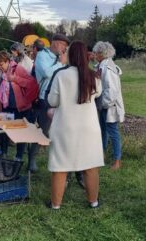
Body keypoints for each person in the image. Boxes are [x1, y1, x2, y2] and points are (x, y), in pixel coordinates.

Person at [47, 41, 104, 209]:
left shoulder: (61, 76)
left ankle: (56, 204)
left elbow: (52, 101)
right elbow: (98, 93)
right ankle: (93, 202)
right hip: (89, 128)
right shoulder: (94, 76)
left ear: (70, 55)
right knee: (90, 165)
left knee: (60, 165)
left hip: (65, 127)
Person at [0, 51, 38, 169]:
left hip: (21, 107)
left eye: (1, 64)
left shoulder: (18, 69)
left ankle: (18, 157)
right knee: (4, 131)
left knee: (20, 133)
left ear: (8, 61)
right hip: (5, 106)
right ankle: (3, 154)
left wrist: (15, 79)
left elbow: (31, 83)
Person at [93, 41, 125, 170]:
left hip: (109, 106)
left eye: (97, 52)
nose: (95, 54)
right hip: (102, 104)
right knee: (103, 131)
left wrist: (104, 104)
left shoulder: (109, 67)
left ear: (103, 53)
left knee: (113, 132)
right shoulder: (100, 65)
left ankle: (117, 160)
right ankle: (101, 156)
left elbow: (112, 90)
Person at [34, 33, 70, 137]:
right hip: (44, 97)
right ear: (55, 44)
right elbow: (47, 73)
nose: (64, 48)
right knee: (42, 129)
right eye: (63, 45)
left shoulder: (62, 57)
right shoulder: (42, 55)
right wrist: (60, 63)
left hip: (58, 95)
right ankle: (35, 151)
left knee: (57, 128)